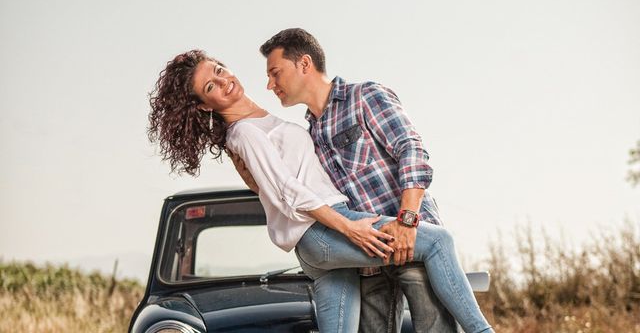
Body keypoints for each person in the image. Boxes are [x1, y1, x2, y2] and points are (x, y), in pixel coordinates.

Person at [147, 50, 494, 333]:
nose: (224, 81)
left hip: (318, 237)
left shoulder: (263, 125)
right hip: (326, 228)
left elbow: (274, 189)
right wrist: (349, 227)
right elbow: (287, 191)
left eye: (220, 70)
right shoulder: (244, 133)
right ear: (206, 106)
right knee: (437, 241)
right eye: (211, 86)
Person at [255, 28, 455, 333]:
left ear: (304, 64)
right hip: (367, 259)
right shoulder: (310, 135)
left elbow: (411, 149)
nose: (270, 85)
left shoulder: (365, 96)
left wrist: (407, 221)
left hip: (411, 242)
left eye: (275, 73)